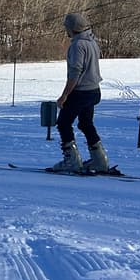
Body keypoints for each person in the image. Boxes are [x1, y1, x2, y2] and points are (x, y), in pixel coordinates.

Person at [50, 13, 109, 173]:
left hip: (80, 91)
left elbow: (75, 72)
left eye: (66, 27)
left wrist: (65, 95)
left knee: (63, 123)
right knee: (85, 123)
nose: (65, 30)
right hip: (94, 90)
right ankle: (100, 160)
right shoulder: (92, 42)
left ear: (73, 28)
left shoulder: (78, 45)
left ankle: (72, 161)